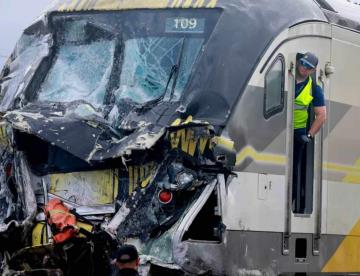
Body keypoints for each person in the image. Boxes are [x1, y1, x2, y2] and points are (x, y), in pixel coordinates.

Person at [293, 52, 326, 212]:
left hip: (297, 134)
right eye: (303, 64)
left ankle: (290, 201)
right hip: (276, 128)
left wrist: (308, 135)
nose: (304, 68)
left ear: (313, 71)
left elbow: (321, 116)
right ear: (298, 62)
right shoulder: (285, 79)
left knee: (293, 170)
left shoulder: (314, 89)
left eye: (309, 67)